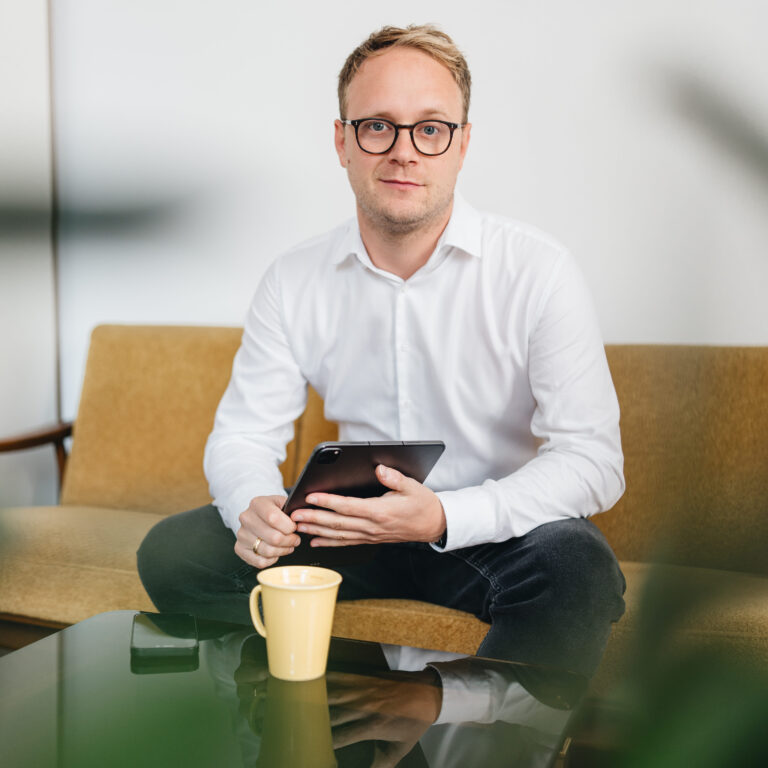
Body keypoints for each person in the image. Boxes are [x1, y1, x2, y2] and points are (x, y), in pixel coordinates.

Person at [138, 24, 626, 678]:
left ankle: (457, 716)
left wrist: (445, 515)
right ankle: (332, 709)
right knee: (175, 553)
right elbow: (243, 435)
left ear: (462, 144)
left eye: (430, 128)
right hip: (350, 528)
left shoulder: (538, 271)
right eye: (377, 127)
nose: (404, 152)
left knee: (576, 568)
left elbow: (594, 461)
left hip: (493, 530)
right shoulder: (294, 278)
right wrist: (252, 505)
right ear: (342, 141)